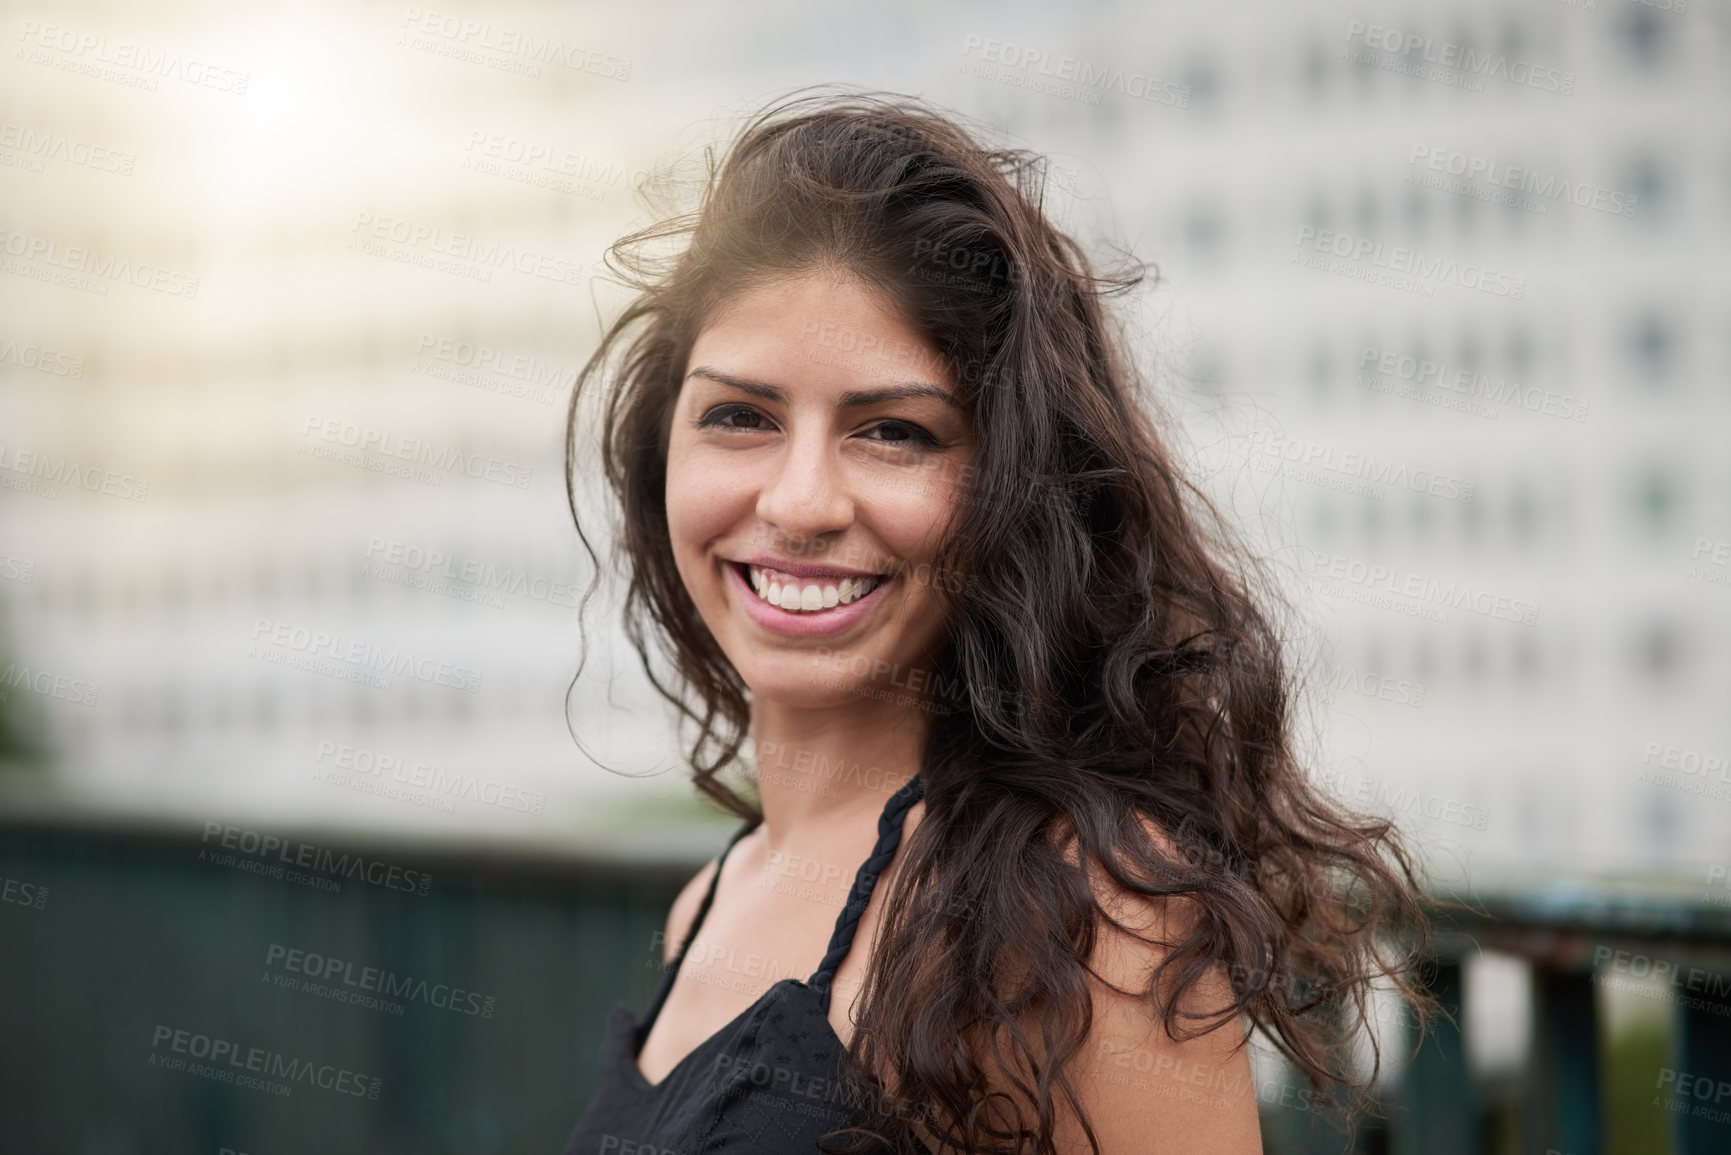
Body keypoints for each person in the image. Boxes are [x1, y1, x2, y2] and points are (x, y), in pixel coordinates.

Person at [559, 90, 1433, 1155]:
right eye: (740, 416)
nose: (798, 503)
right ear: (662, 453)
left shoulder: (1091, 911)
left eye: (894, 432)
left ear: (1013, 488)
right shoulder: (709, 897)